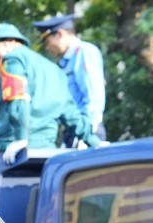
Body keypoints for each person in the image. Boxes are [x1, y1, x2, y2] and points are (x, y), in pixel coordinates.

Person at [0, 23, 101, 205]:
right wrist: (94, 140)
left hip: (7, 151)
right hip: (43, 153)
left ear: (11, 42)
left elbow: (18, 98)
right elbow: (71, 113)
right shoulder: (54, 71)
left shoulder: (13, 60)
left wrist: (20, 138)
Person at [34, 13, 106, 143]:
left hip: (86, 129)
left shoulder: (84, 52)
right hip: (74, 129)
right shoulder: (65, 62)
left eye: (48, 42)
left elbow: (93, 93)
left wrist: (89, 130)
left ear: (60, 34)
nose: (47, 48)